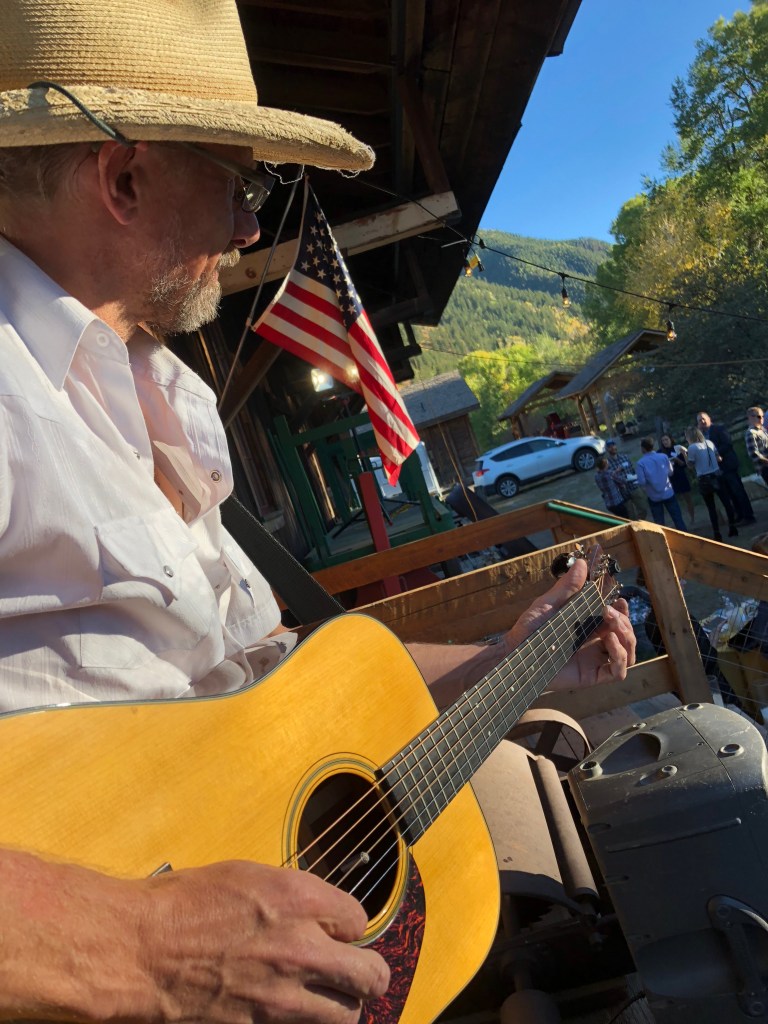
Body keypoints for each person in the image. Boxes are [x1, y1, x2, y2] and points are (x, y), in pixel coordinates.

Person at [0, 1, 637, 1020]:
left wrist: (517, 657)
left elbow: (275, 686)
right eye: (241, 184)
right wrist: (144, 946)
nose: (251, 227)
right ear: (124, 179)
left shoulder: (162, 397)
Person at [696, 411, 756, 525]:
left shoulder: (719, 429)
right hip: (717, 469)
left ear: (709, 418)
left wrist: (715, 454)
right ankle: (739, 515)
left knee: (738, 491)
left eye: (703, 419)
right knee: (730, 494)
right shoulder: (701, 436)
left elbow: (727, 444)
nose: (702, 421)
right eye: (699, 420)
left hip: (728, 465)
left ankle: (748, 515)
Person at [685, 427, 738, 542]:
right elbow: (719, 458)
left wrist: (684, 454)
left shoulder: (692, 447)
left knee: (711, 507)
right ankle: (732, 526)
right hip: (717, 474)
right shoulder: (709, 442)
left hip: (704, 478)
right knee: (726, 502)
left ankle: (717, 532)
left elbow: (690, 465)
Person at [635, 437, 687, 530]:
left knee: (659, 523)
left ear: (643, 448)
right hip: (668, 492)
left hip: (654, 496)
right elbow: (670, 472)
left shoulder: (640, 463)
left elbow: (642, 482)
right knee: (678, 519)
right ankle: (685, 535)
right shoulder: (663, 456)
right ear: (653, 446)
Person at [604, 439, 648, 519]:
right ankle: (635, 525)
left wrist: (636, 479)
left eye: (613, 445)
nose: (612, 448)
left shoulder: (625, 457)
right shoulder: (606, 464)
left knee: (643, 509)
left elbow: (632, 470)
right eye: (610, 447)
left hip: (633, 487)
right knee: (630, 515)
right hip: (622, 493)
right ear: (607, 449)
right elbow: (608, 478)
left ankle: (640, 522)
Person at [658, 433, 695, 525]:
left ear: (671, 439)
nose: (665, 442)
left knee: (687, 498)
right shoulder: (660, 452)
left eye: (666, 439)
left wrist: (677, 460)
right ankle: (679, 520)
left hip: (680, 476)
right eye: (663, 440)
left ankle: (692, 518)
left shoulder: (677, 448)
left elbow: (684, 464)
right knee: (674, 501)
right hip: (669, 479)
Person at [745, 406, 768, 486]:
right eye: (758, 416)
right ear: (750, 418)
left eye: (762, 416)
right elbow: (753, 454)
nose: (761, 418)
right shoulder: (751, 433)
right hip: (765, 468)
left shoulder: (763, 430)